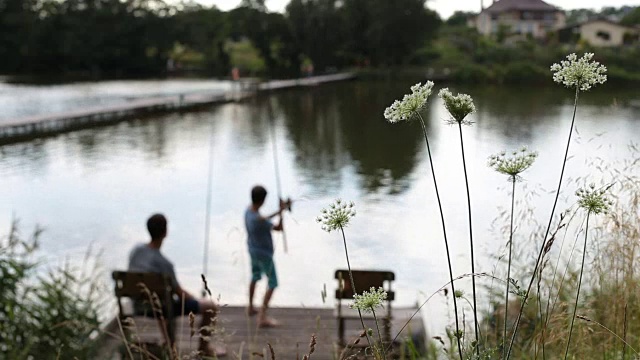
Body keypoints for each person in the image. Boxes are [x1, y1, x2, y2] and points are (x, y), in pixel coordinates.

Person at [128, 213, 226, 357]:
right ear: (165, 232)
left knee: (163, 301)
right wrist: (195, 298)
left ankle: (168, 342)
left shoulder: (136, 251)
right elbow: (180, 294)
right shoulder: (165, 264)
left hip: (137, 305)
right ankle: (203, 349)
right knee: (211, 307)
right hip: (161, 308)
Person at [245, 185, 288, 327]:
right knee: (273, 283)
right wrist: (281, 212)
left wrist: (279, 211)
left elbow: (262, 217)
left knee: (255, 276)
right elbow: (278, 228)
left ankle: (251, 307)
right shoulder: (260, 221)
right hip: (264, 254)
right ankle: (262, 317)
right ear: (263, 200)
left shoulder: (248, 212)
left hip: (252, 251)